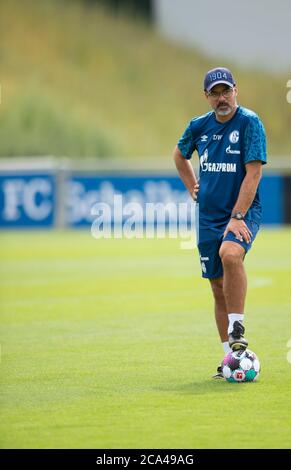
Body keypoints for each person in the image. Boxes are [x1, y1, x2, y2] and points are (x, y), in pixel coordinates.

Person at [173, 67, 267, 378]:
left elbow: (253, 173)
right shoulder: (198, 126)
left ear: (236, 90)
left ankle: (237, 326)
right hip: (208, 217)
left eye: (226, 91)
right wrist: (191, 185)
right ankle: (229, 358)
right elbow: (179, 154)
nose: (221, 97)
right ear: (207, 97)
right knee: (216, 287)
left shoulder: (250, 123)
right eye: (215, 93)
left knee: (230, 254)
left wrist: (237, 215)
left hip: (241, 212)